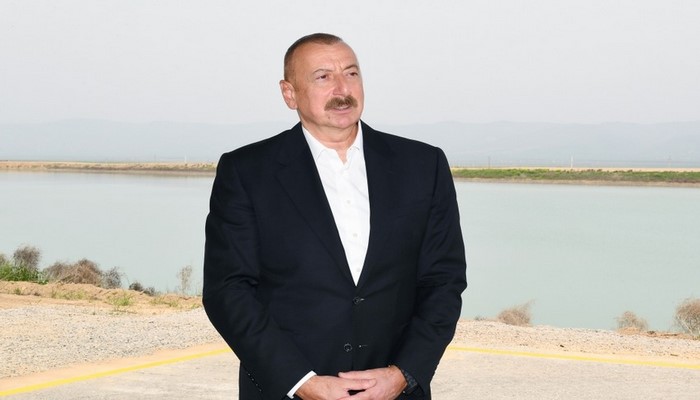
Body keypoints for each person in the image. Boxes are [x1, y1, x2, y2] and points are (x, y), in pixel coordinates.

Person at [203, 33, 467, 400]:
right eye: (323, 77)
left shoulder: (423, 165)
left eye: (351, 73)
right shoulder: (247, 171)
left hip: (395, 392)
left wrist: (404, 373)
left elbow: (444, 281)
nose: (342, 89)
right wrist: (301, 383)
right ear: (289, 93)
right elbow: (228, 291)